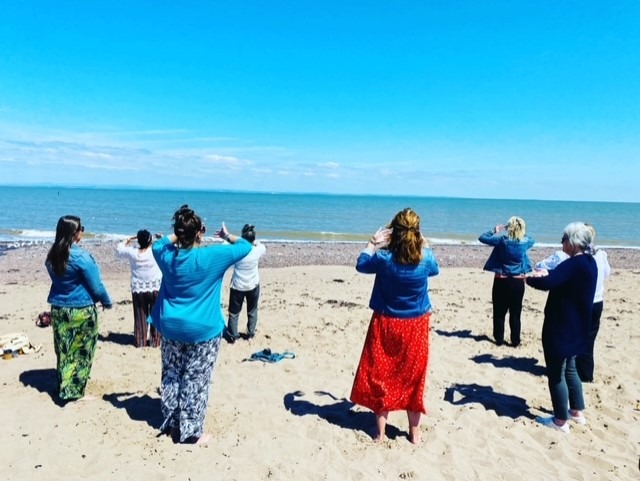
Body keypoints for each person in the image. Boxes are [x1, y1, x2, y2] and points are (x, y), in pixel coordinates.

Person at [149, 205, 252, 444]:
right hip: (203, 329)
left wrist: (178, 232)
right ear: (200, 232)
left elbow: (158, 245)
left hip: (171, 326)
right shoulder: (212, 256)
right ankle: (191, 432)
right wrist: (226, 236)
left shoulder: (167, 257)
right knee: (196, 379)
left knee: (172, 374)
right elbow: (245, 246)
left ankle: (171, 422)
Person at [350, 207, 439, 444]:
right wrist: (425, 244)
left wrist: (372, 242)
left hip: (386, 323)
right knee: (413, 379)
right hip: (416, 326)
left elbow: (361, 263)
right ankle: (415, 434)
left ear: (394, 233)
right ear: (416, 233)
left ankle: (380, 434)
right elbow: (435, 269)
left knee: (381, 375)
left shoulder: (384, 259)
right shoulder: (425, 258)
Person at [526, 222, 597, 433]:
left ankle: (560, 420)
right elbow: (561, 281)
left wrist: (530, 278)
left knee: (556, 373)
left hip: (562, 326)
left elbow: (548, 283)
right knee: (571, 367)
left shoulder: (573, 264)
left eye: (564, 239)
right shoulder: (589, 262)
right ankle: (576, 411)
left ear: (573, 242)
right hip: (577, 324)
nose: (562, 243)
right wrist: (547, 276)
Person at [45, 215, 112, 402]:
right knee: (82, 351)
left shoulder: (53, 254)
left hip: (59, 308)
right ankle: (73, 392)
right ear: (74, 233)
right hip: (81, 309)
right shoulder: (81, 256)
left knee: (64, 349)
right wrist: (107, 302)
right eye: (81, 228)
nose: (83, 231)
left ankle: (63, 385)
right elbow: (96, 285)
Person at [536, 225, 611, 382]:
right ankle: (585, 375)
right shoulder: (599, 255)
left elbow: (548, 276)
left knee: (577, 340)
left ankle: (580, 374)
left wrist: (530, 278)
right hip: (597, 300)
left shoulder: (573, 259)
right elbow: (606, 274)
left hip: (585, 301)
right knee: (588, 340)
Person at [478, 216, 535, 347]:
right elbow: (532, 239)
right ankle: (515, 340)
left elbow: (482, 238)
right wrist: (520, 230)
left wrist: (495, 230)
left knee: (499, 310)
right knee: (515, 312)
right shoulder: (525, 241)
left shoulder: (502, 240)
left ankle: (499, 339)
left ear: (509, 228)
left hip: (501, 279)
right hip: (517, 281)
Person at [116, 229, 163, 348]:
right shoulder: (154, 250)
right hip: (155, 287)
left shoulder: (133, 252)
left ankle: (140, 341)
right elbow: (167, 245)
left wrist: (128, 240)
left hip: (138, 288)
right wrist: (161, 237)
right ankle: (155, 341)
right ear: (150, 240)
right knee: (155, 315)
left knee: (140, 316)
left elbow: (118, 250)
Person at [224, 224, 267, 343]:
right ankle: (250, 335)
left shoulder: (237, 251)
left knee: (234, 312)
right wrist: (253, 241)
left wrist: (228, 236)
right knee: (252, 311)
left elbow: (227, 244)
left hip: (238, 286)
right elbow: (262, 246)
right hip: (252, 285)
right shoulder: (258, 249)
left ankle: (233, 336)